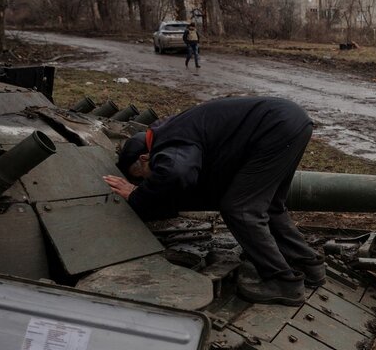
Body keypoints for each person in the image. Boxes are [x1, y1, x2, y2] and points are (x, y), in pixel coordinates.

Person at [102, 96, 326, 306]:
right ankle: (309, 265)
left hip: (274, 127)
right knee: (271, 207)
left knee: (239, 209)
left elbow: (176, 173)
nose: (142, 180)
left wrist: (135, 195)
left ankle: (284, 283)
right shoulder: (173, 130)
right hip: (287, 120)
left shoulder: (169, 143)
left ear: (144, 157)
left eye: (140, 176)